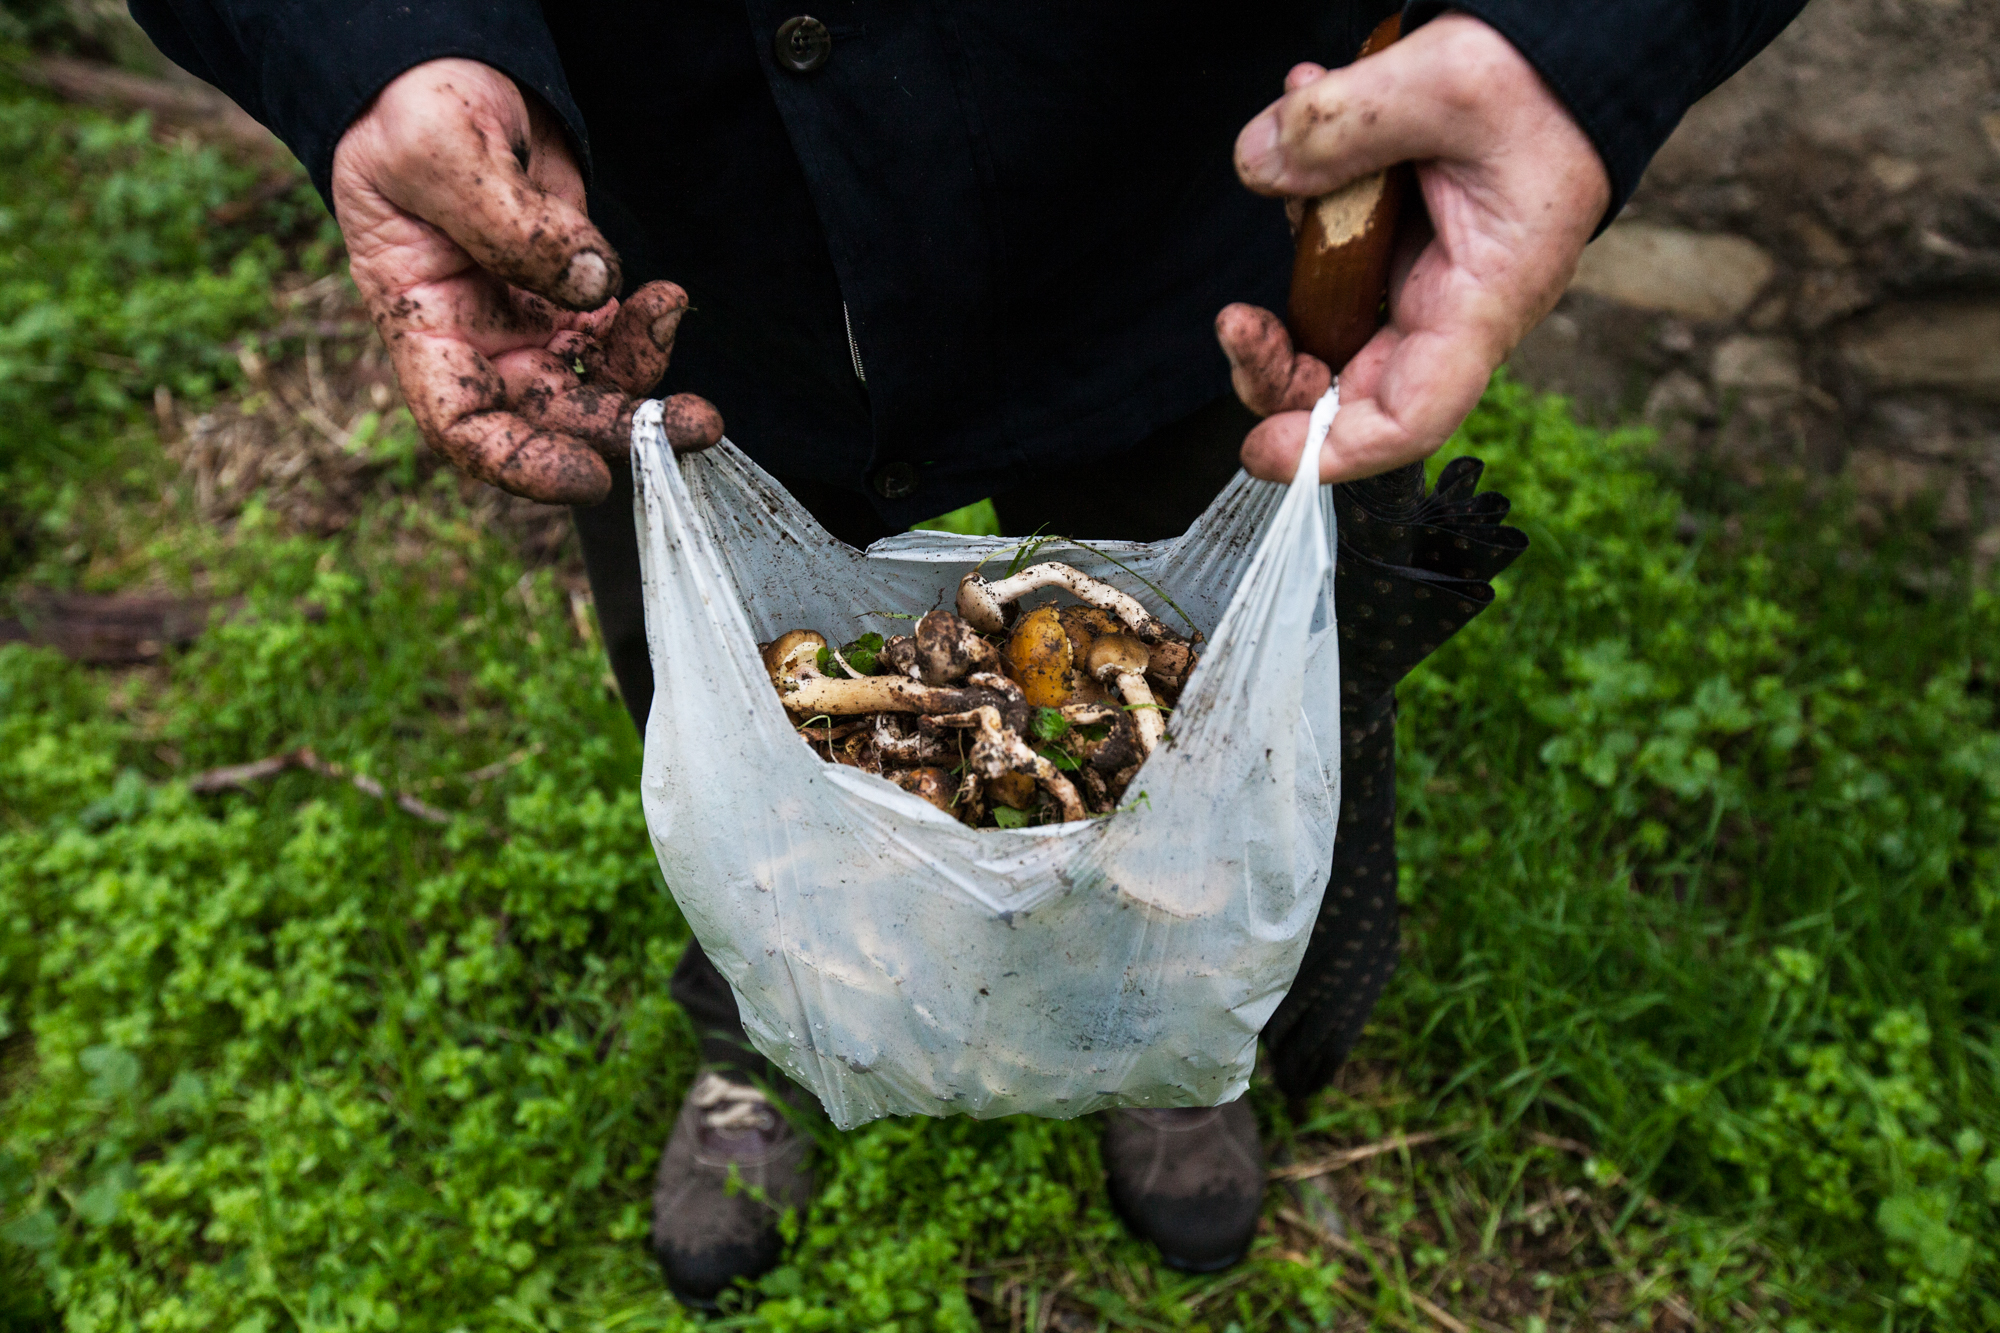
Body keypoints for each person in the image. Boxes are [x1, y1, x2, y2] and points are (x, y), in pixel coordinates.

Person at [130, 0, 1809, 1307]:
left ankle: (1160, 1027)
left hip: (1177, 198)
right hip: (678, 222)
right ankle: (771, 1019)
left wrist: (1570, 46)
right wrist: (373, 45)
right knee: (723, 680)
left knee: (1210, 678)